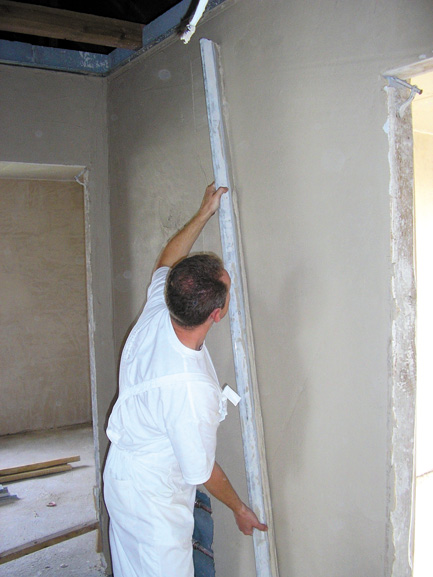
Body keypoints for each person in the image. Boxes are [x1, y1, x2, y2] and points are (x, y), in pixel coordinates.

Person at [103, 182, 267, 577]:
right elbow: (202, 471)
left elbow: (166, 259)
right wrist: (240, 509)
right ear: (216, 315)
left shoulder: (161, 310)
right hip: (152, 502)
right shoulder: (189, 390)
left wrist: (204, 213)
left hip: (122, 474)